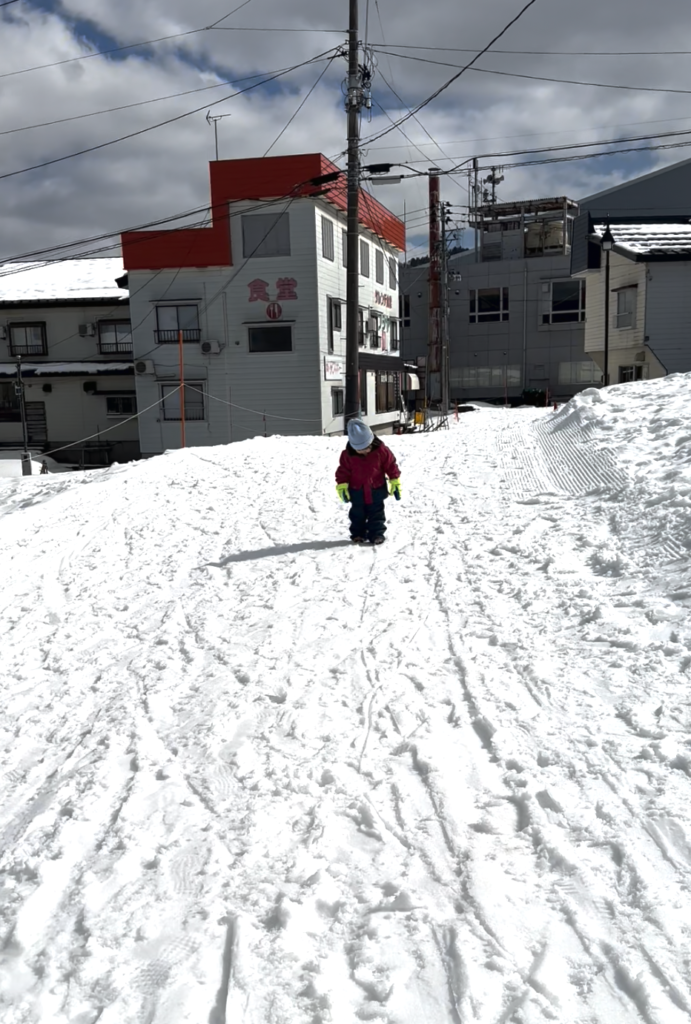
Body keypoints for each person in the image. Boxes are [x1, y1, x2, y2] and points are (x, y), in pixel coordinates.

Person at [335, 418, 401, 545]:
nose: (364, 451)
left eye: (366, 448)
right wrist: (342, 485)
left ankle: (376, 534)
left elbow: (391, 465)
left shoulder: (381, 451)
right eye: (359, 449)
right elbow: (343, 471)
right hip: (356, 490)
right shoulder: (347, 455)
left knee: (376, 514)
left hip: (376, 489)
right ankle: (358, 534)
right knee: (357, 514)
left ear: (371, 441)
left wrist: (394, 480)